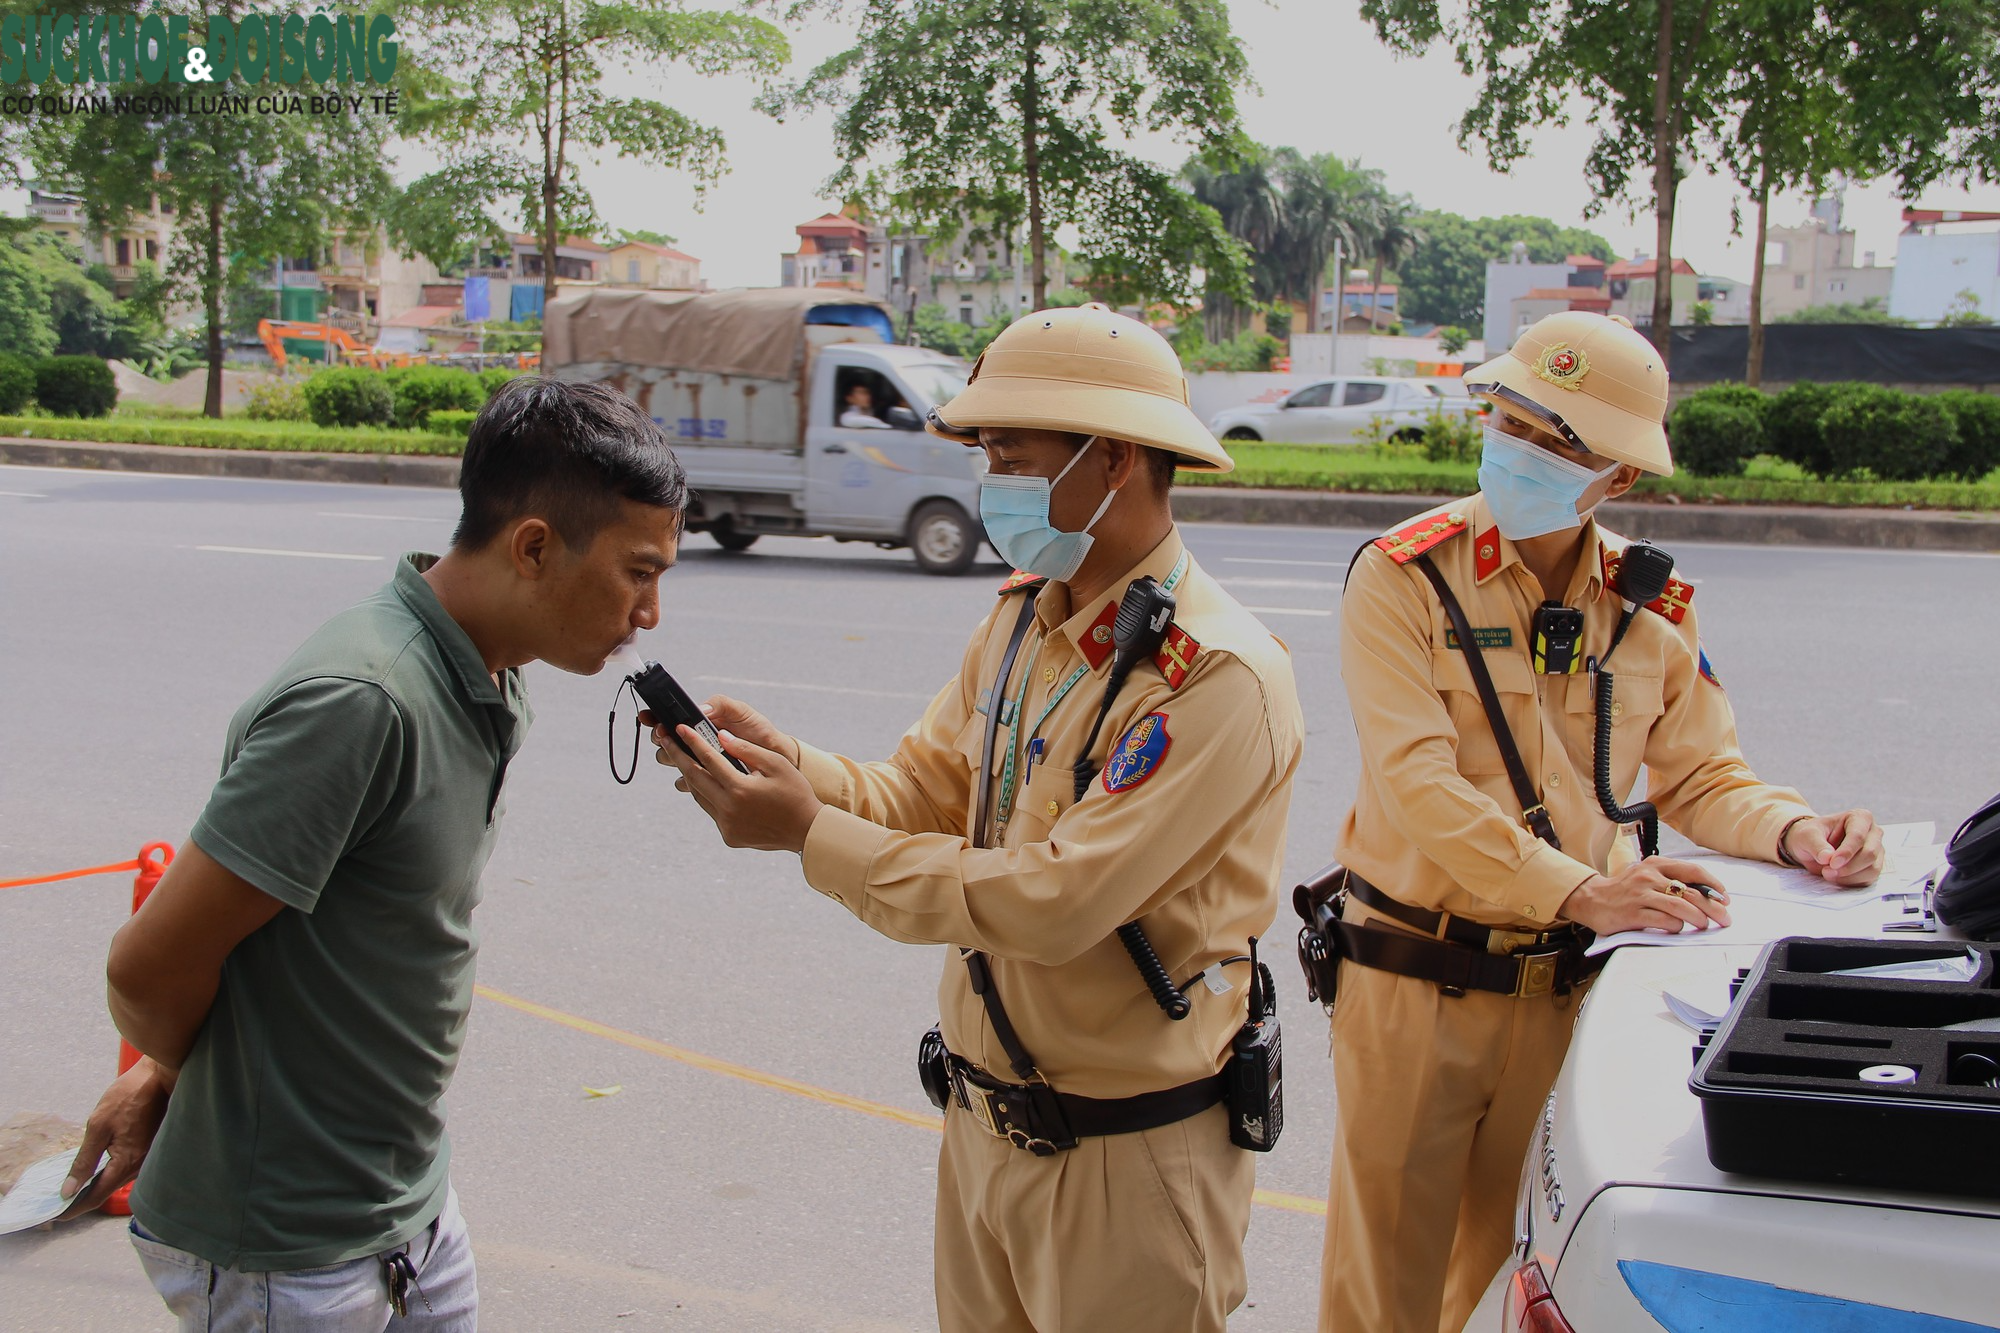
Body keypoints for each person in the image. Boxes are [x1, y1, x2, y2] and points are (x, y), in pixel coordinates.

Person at [651, 303, 1304, 1332]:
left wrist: (806, 834)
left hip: (1126, 1163)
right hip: (982, 1126)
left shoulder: (1215, 676)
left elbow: (1055, 901)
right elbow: (922, 793)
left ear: (1114, 460)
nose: (986, 474)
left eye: (1009, 451)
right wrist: (793, 770)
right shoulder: (1020, 617)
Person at [60, 378, 687, 1331]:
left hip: (406, 1204)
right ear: (532, 546)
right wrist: (186, 1075)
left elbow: (311, 945)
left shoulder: (487, 673)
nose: (649, 614)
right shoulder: (365, 702)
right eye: (639, 572)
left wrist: (164, 1073)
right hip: (290, 1246)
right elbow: (148, 964)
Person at [1317, 310, 1886, 1332]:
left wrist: (1796, 831)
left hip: (1566, 993)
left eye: (1554, 439)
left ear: (1613, 478)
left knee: (1510, 1278)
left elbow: (1701, 773)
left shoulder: (1650, 606)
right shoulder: (1400, 576)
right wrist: (1581, 886)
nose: (1517, 448)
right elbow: (1417, 786)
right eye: (1510, 418)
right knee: (1384, 1290)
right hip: (1413, 979)